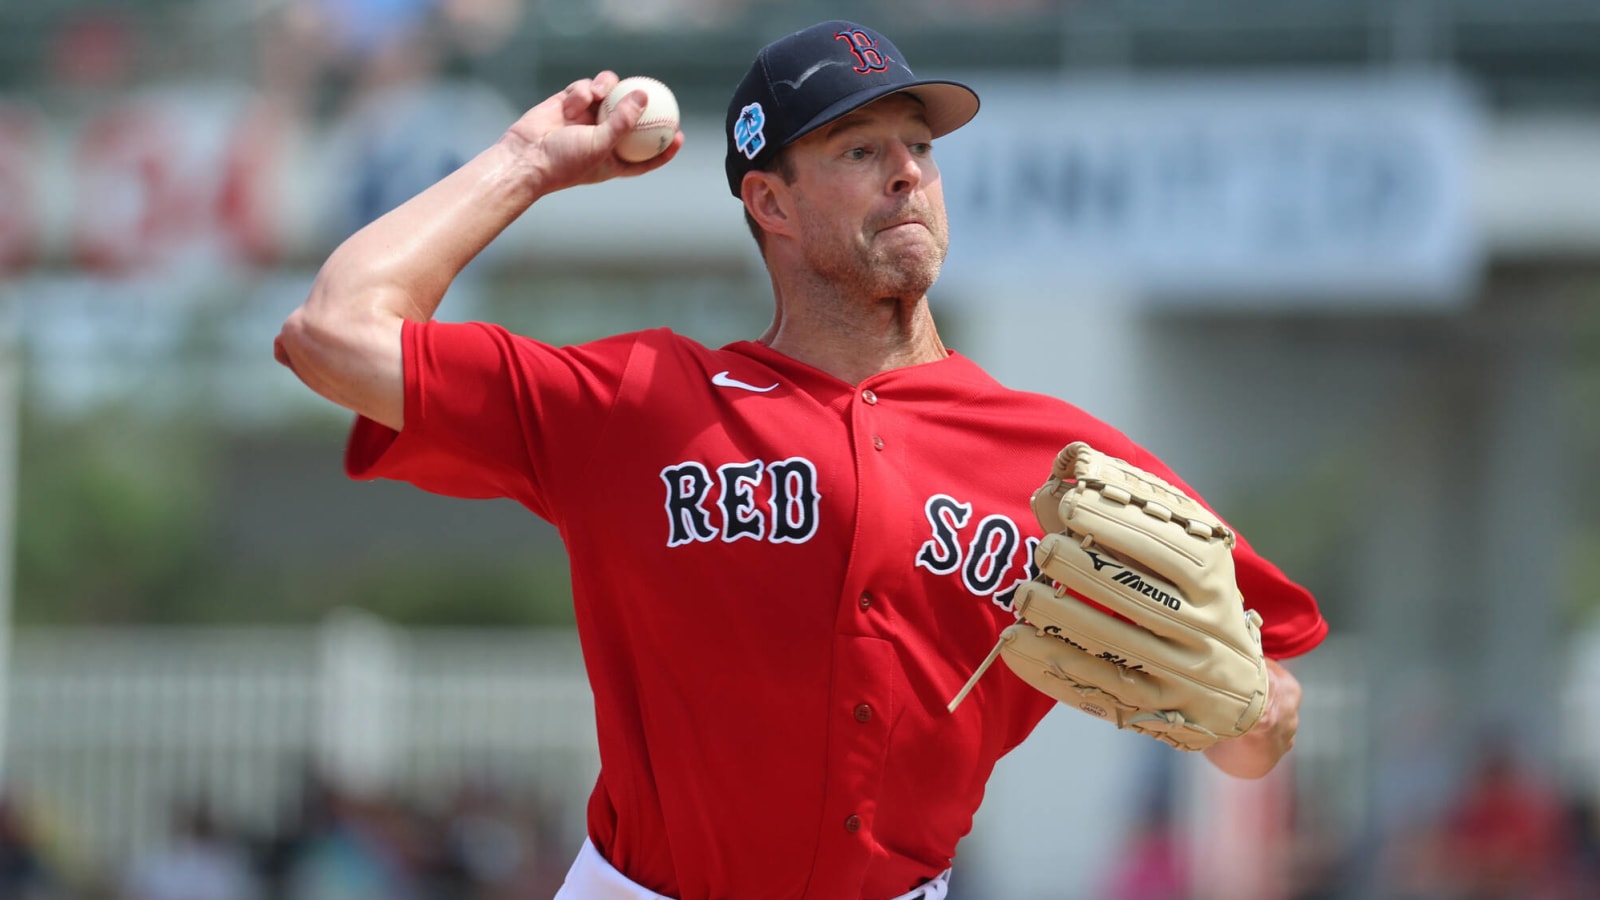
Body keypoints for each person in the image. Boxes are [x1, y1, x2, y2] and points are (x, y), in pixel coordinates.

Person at [275, 19, 1329, 900]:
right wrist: (527, 163)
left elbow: (1255, 705)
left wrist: (1256, 712)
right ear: (769, 203)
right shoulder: (642, 402)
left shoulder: (1059, 460)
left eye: (919, 146)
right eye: (858, 150)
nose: (908, 171)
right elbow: (332, 333)